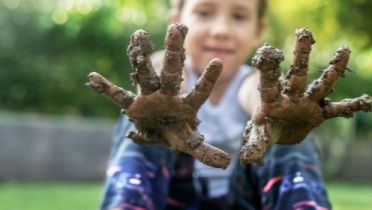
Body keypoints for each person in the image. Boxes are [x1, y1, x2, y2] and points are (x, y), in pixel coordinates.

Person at [100, 0, 331, 209]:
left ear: (258, 31)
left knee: (282, 120)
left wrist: (269, 109)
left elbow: (258, 92)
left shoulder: (257, 81)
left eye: (239, 16)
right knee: (148, 120)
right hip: (173, 198)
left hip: (246, 201)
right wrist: (160, 100)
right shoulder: (171, 73)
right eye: (204, 12)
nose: (221, 30)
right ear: (176, 21)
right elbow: (162, 68)